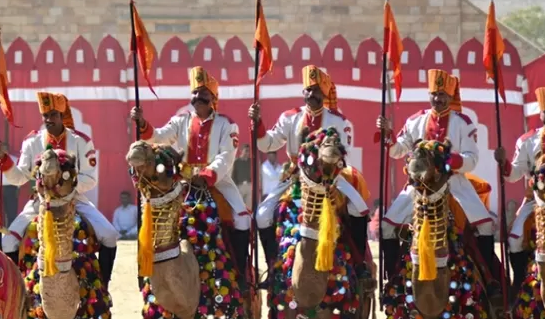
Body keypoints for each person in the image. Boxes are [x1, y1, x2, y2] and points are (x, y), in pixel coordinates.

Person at [378, 69, 502, 301]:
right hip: (419, 187)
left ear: (451, 95)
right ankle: (392, 275)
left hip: (453, 182)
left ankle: (490, 279)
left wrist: (450, 159)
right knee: (386, 226)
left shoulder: (462, 122)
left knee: (484, 225)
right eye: (435, 93)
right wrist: (388, 135)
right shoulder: (416, 120)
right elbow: (398, 150)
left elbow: (472, 159)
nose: (438, 99)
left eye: (443, 94)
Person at [130, 66, 252, 289]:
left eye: (203, 93)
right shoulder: (181, 121)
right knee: (154, 212)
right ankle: (148, 271)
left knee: (243, 220)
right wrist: (142, 124)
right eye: (195, 93)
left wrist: (206, 175)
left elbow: (226, 156)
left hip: (217, 182)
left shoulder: (227, 124)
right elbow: (159, 136)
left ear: (213, 98)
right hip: (183, 182)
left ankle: (241, 274)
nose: (198, 97)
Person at [250, 65, 370, 279]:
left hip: (330, 177)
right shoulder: (290, 117)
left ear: (324, 93)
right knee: (262, 214)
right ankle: (272, 267)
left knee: (359, 208)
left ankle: (360, 264)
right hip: (295, 177)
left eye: (316, 90)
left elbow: (346, 152)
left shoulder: (338, 121)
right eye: (308, 90)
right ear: (303, 92)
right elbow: (267, 144)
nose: (311, 95)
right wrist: (257, 123)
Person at [0, 92, 119, 288]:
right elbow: (19, 177)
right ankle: (17, 290)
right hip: (41, 202)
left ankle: (102, 286)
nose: (48, 120)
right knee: (8, 241)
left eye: (53, 115)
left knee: (110, 235)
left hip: (74, 199)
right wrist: (4, 159)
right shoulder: (32, 142)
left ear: (61, 116)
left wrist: (66, 187)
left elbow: (90, 178)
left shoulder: (81, 141)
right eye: (45, 116)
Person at [496, 86, 545, 296]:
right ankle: (518, 285)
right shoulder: (527, 140)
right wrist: (504, 164)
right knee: (514, 237)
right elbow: (515, 173)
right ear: (540, 113)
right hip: (536, 201)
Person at [233, 143, 252, 208]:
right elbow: (233, 175)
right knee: (239, 205)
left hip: (249, 185)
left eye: (249, 151)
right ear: (241, 151)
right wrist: (235, 187)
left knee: (249, 206)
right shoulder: (236, 162)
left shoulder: (251, 161)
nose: (248, 153)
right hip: (240, 186)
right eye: (246, 150)